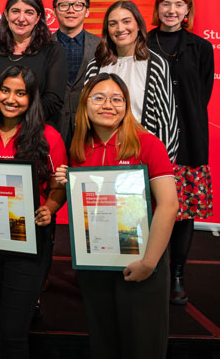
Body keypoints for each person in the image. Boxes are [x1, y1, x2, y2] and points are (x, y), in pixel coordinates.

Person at [55, 73, 178, 359]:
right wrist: (67, 182)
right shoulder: (79, 148)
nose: (107, 105)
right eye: (99, 98)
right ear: (85, 104)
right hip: (96, 264)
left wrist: (149, 263)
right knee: (103, 343)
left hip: (142, 260)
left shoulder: (147, 144)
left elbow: (169, 205)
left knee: (143, 345)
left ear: (126, 105)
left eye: (116, 99)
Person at [0, 66, 66, 358]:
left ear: (31, 99)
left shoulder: (49, 137)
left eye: (21, 93)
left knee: (12, 335)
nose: (11, 99)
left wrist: (49, 208)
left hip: (28, 244)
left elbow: (59, 187)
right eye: (5, 90)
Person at [147, 0, 215, 305]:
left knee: (183, 211)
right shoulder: (142, 43)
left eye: (179, 4)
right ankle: (151, 269)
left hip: (189, 140)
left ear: (188, 11)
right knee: (148, 207)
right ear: (157, 8)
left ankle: (176, 275)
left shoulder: (201, 48)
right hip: (150, 139)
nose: (171, 10)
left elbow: (203, 94)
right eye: (166, 3)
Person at [82, 0, 179, 161]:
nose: (120, 29)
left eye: (126, 21)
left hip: (141, 155)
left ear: (139, 25)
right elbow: (85, 115)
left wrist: (161, 163)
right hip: (102, 156)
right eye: (113, 24)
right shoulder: (96, 65)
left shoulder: (155, 65)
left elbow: (166, 122)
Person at [0, 0, 67, 129]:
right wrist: (1, 127)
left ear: (37, 18)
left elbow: (53, 101)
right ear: (6, 14)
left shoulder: (54, 51)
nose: (21, 18)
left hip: (36, 133)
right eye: (15, 11)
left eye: (29, 12)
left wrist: (16, 125)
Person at [52, 0, 100, 144]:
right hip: (52, 127)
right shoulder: (42, 46)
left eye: (78, 5)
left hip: (90, 127)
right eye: (64, 5)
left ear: (87, 11)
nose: (70, 10)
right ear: (54, 10)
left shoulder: (101, 46)